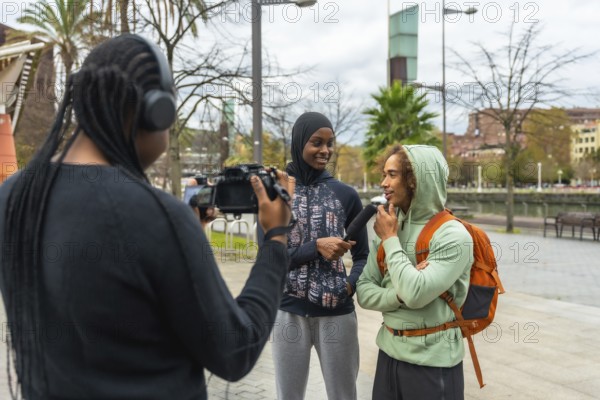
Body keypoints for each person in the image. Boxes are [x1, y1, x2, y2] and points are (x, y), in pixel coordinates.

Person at [0, 34, 294, 400]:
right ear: (156, 112)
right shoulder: (156, 216)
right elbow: (236, 350)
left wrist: (183, 239)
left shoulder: (12, 197)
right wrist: (277, 238)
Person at [356, 144, 474, 400]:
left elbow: (416, 293)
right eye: (384, 174)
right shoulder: (390, 223)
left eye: (393, 174)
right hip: (388, 355)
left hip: (433, 363)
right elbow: (364, 292)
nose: (383, 183)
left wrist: (390, 240)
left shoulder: (452, 235)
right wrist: (398, 295)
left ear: (415, 179)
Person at [270, 111, 369, 400]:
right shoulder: (276, 193)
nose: (325, 150)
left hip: (336, 314)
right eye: (316, 142)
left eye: (330, 143)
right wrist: (315, 248)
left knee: (344, 395)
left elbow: (363, 255)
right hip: (288, 312)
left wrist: (350, 285)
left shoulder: (346, 195)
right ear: (299, 142)